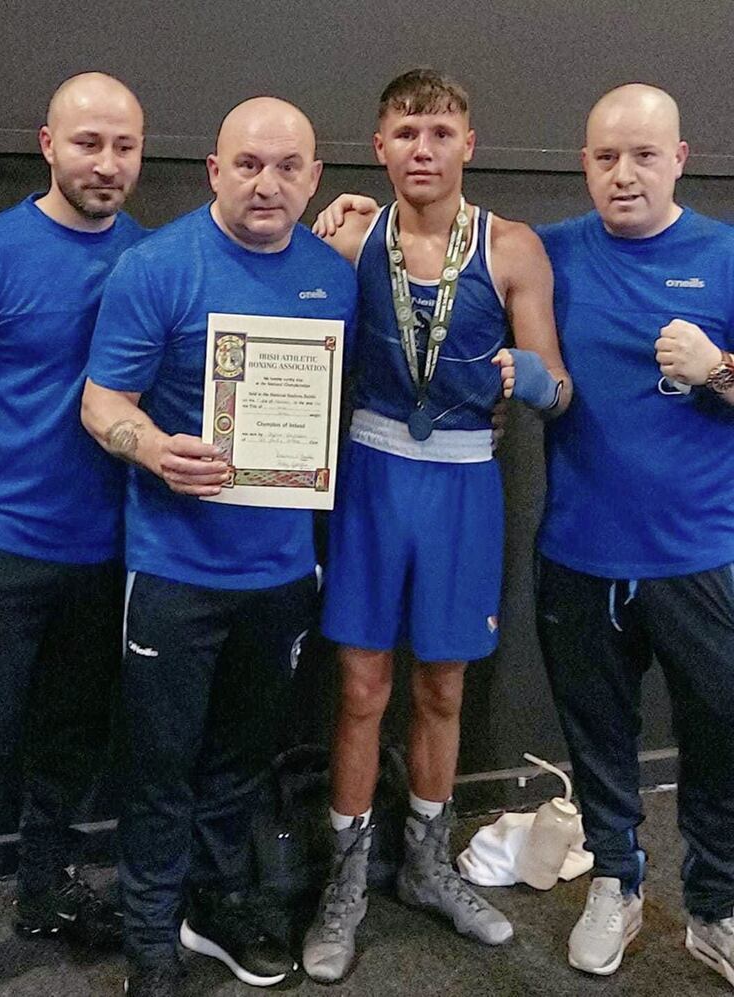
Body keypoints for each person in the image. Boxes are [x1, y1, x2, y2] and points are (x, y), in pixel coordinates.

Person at [81, 96, 358, 997]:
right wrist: (153, 448)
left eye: (287, 166)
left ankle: (213, 904)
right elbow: (101, 401)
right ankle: (152, 935)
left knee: (241, 761)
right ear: (213, 168)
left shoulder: (334, 274)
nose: (266, 182)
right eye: (247, 163)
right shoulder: (156, 266)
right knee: (160, 765)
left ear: (315, 177)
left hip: (281, 570)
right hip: (173, 569)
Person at [301, 68, 572, 983]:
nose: (424, 149)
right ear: (379, 147)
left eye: (441, 133)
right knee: (362, 688)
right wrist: (309, 238)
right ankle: (346, 880)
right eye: (407, 133)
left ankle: (423, 863)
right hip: (372, 474)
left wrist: (523, 378)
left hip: (463, 483)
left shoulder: (513, 248)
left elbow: (559, 384)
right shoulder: (348, 238)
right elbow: (282, 322)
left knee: (444, 688)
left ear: (468, 144)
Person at [0, 72, 146, 993]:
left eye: (124, 146)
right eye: (88, 142)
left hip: (111, 553)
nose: (106, 162)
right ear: (46, 143)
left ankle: (47, 890)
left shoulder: (155, 257)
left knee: (71, 746)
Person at [534, 83, 734, 983]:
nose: (624, 174)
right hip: (579, 553)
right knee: (600, 736)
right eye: (606, 156)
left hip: (699, 554)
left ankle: (717, 905)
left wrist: (720, 366)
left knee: (721, 735)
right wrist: (355, 224)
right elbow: (438, 265)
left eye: (644, 155)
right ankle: (616, 881)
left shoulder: (726, 256)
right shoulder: (545, 255)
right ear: (584, 162)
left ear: (680, 160)